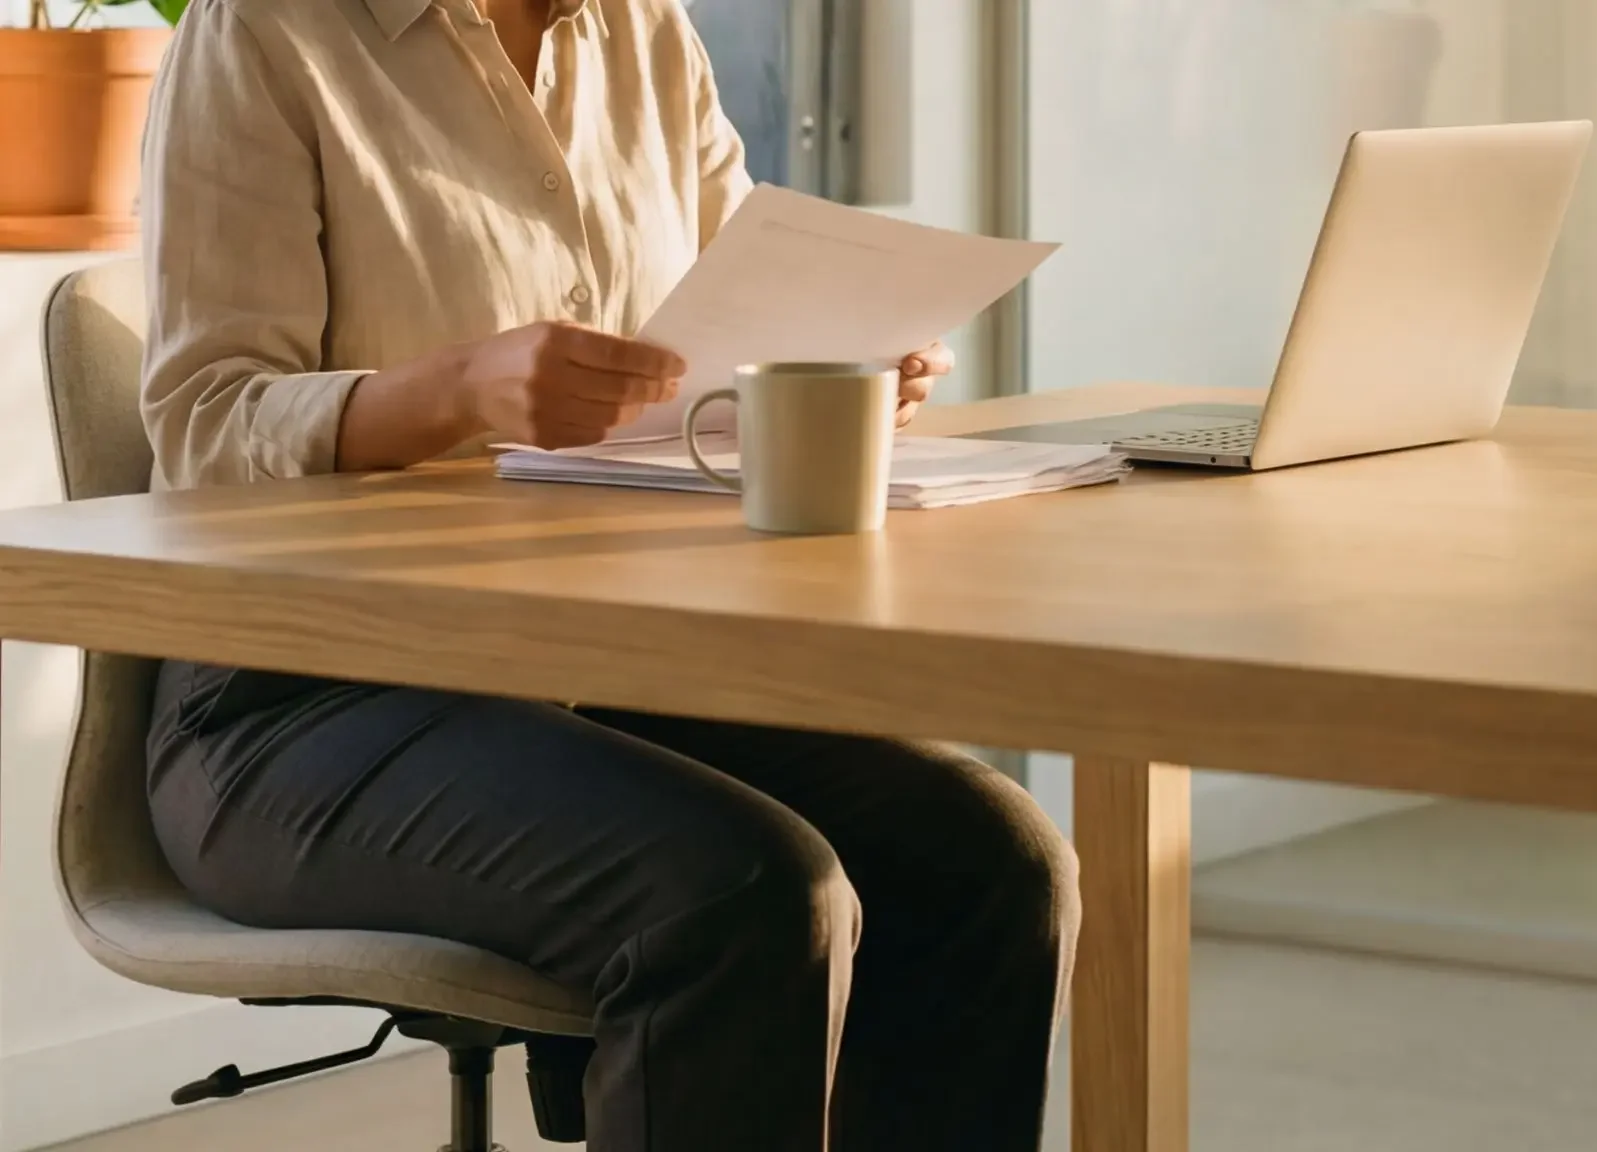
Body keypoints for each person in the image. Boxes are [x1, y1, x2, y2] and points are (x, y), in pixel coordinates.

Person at [136, 0, 1080, 1148]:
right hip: (295, 700)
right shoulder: (263, 31)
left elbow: (738, 332)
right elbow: (202, 423)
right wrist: (455, 391)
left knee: (988, 860)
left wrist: (839, 366)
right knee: (741, 893)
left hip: (596, 670)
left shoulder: (643, 29)